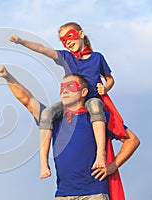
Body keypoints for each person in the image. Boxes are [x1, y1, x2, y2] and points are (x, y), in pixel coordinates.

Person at [0, 65, 140, 200]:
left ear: (84, 92)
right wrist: (8, 77)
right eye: (62, 88)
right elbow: (27, 99)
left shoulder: (98, 118)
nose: (65, 91)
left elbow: (132, 140)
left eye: (71, 86)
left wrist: (112, 166)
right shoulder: (54, 119)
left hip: (94, 194)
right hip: (63, 194)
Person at [9, 22, 115, 173]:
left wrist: (105, 88)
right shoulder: (66, 57)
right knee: (47, 113)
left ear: (81, 34)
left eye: (69, 36)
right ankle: (43, 163)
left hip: (90, 98)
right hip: (71, 102)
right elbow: (43, 49)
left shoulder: (97, 57)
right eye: (63, 41)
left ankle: (100, 154)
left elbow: (110, 79)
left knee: (96, 107)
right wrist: (21, 41)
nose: (68, 42)